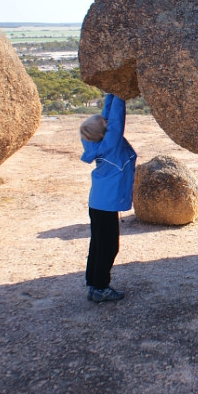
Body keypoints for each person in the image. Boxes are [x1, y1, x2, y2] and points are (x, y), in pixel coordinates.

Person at [79, 93, 136, 303]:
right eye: (105, 123)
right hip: (106, 204)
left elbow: (107, 119)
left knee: (97, 244)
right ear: (105, 131)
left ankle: (93, 283)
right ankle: (101, 287)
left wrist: (110, 92)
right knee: (109, 247)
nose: (107, 120)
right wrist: (120, 94)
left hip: (98, 202)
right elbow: (117, 121)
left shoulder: (91, 140)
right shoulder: (110, 146)